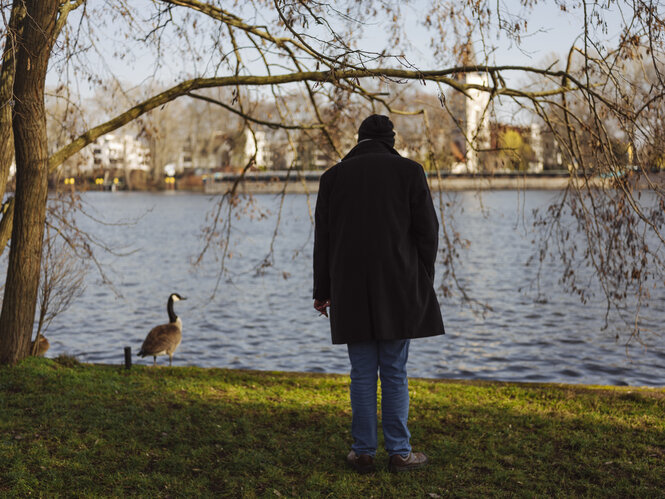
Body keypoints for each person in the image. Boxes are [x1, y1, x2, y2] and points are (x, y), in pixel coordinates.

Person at [313, 114, 445, 474]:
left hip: (349, 286)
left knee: (361, 372)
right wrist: (422, 277)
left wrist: (322, 290)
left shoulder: (333, 178)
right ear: (391, 139)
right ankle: (400, 453)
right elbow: (428, 233)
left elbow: (323, 240)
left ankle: (363, 451)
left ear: (359, 140)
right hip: (399, 284)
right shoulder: (409, 172)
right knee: (394, 370)